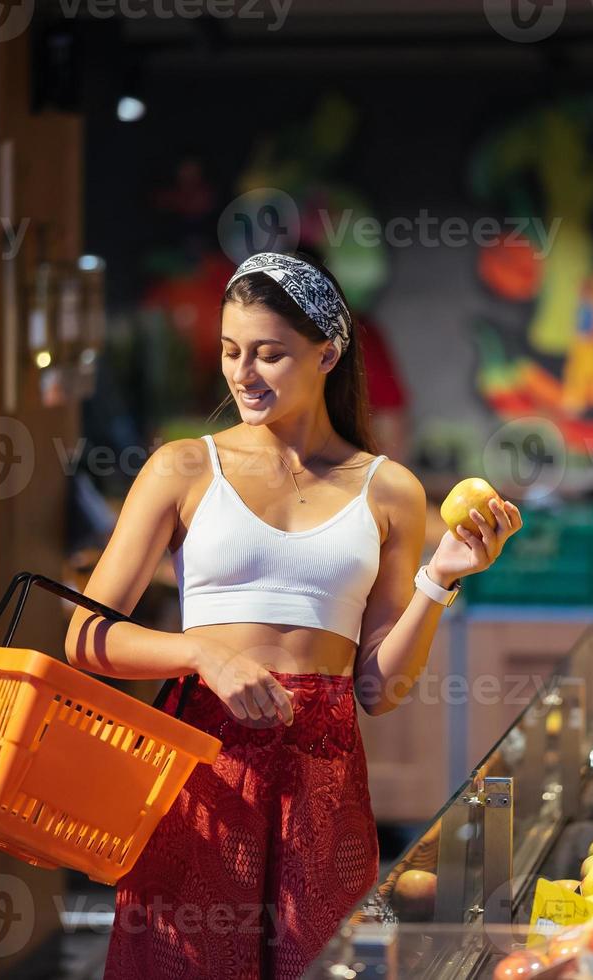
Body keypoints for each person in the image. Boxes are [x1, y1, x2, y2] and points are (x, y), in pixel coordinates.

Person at [64, 251, 521, 980]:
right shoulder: (181, 468)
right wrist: (199, 655)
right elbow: (85, 636)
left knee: (320, 967)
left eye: (269, 354)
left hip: (324, 771)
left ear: (327, 354)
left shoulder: (389, 490)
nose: (244, 373)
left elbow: (378, 689)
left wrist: (440, 579)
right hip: (198, 763)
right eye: (230, 351)